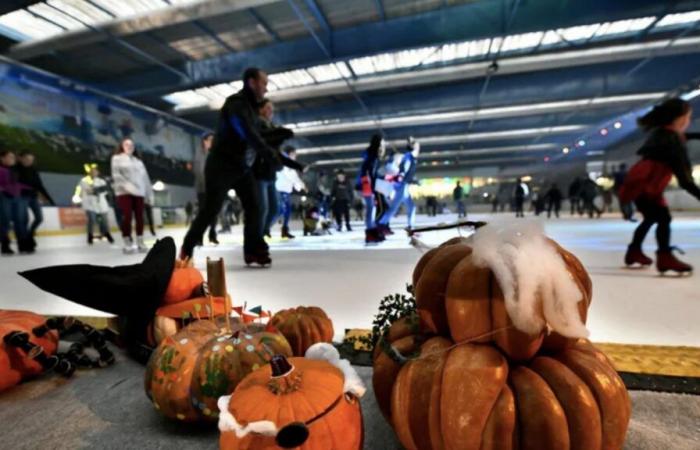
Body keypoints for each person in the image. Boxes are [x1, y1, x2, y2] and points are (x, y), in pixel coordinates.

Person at [181, 67, 281, 266]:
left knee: (256, 206)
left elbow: (260, 135)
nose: (266, 89)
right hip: (221, 165)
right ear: (252, 82)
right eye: (264, 84)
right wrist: (268, 154)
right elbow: (247, 133)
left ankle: (253, 251)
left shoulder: (253, 109)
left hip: (242, 168)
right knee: (211, 209)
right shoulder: (236, 104)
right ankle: (187, 248)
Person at [620, 97, 700, 273]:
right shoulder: (672, 140)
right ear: (680, 118)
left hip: (643, 186)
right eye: (688, 117)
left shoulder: (662, 133)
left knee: (652, 218)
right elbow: (685, 179)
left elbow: (682, 136)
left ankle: (634, 251)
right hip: (646, 188)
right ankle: (664, 257)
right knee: (663, 218)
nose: (688, 121)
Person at [255, 99, 299, 239]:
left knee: (274, 210)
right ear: (260, 109)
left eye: (272, 109)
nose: (271, 112)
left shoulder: (271, 126)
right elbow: (260, 143)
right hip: (259, 173)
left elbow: (277, 153)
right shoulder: (255, 125)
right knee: (262, 209)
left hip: (270, 174)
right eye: (268, 108)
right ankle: (257, 237)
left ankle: (263, 231)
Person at [111, 137, 151, 254]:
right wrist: (129, 187)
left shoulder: (138, 162)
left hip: (140, 193)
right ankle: (127, 241)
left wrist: (148, 194)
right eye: (126, 144)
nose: (129, 146)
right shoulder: (116, 158)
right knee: (127, 216)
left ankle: (140, 241)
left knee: (140, 217)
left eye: (131, 145)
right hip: (124, 192)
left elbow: (145, 179)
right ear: (122, 146)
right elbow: (116, 175)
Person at [377, 137, 419, 234]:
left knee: (411, 207)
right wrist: (402, 175)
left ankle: (411, 228)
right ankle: (380, 225)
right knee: (393, 209)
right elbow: (404, 168)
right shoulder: (409, 156)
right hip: (402, 187)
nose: (418, 148)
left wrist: (413, 180)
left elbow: (408, 171)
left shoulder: (411, 157)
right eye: (417, 146)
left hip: (405, 186)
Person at [16, 151, 55, 248]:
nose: (29, 161)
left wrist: (49, 198)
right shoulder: (15, 169)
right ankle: (24, 242)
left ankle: (30, 235)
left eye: (31, 160)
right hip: (21, 197)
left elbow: (39, 185)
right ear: (20, 158)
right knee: (23, 220)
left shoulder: (33, 170)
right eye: (27, 159)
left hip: (33, 197)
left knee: (39, 218)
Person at [356, 134, 386, 243]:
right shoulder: (372, 156)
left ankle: (372, 231)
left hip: (367, 184)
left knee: (371, 208)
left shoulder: (371, 155)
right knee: (371, 208)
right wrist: (373, 186)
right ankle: (370, 232)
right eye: (382, 142)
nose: (383, 144)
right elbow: (370, 172)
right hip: (367, 185)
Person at [0, 150, 31, 254]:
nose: (12, 159)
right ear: (2, 158)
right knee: (5, 222)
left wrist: (28, 188)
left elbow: (15, 184)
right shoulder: (1, 170)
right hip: (4, 198)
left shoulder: (14, 170)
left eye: (13, 157)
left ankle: (22, 245)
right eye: (9, 157)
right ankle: (5, 246)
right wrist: (3, 190)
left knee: (20, 221)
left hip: (17, 197)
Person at [76, 164, 114, 245]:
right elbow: (88, 191)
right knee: (92, 220)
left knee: (104, 221)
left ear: (98, 172)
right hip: (90, 205)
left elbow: (104, 191)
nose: (93, 172)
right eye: (92, 171)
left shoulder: (101, 181)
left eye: (95, 171)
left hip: (101, 205)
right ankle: (90, 236)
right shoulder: (84, 181)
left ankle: (107, 234)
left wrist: (97, 190)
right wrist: (96, 190)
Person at [192, 132, 218, 244]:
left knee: (214, 212)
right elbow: (198, 171)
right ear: (205, 141)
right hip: (203, 188)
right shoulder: (199, 154)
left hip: (214, 188)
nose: (212, 142)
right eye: (210, 139)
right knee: (203, 213)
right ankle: (199, 237)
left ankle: (212, 234)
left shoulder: (215, 154)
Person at [274, 146, 305, 239]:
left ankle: (285, 230)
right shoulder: (284, 163)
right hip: (280, 190)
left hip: (286, 190)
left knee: (287, 211)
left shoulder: (290, 165)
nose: (295, 156)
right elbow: (291, 177)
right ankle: (264, 229)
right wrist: (301, 185)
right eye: (293, 154)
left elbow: (294, 177)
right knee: (279, 211)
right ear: (288, 154)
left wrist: (300, 185)